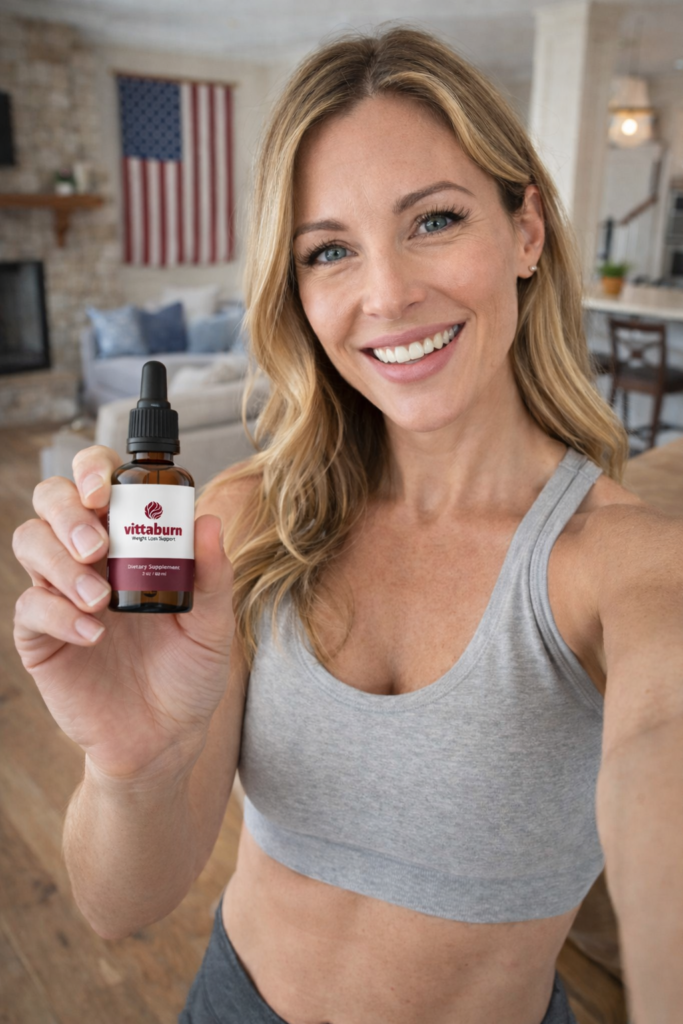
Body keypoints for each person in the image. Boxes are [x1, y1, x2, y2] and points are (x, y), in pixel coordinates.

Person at [12, 26, 683, 1024]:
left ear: (526, 232)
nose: (386, 295)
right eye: (329, 250)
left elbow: (661, 762)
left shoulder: (629, 566)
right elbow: (120, 905)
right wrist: (131, 761)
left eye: (434, 220)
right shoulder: (243, 521)